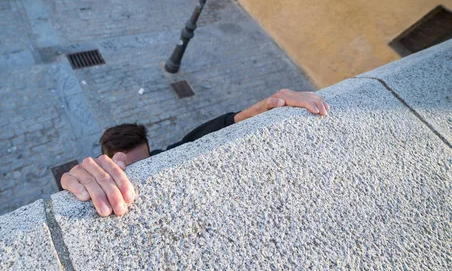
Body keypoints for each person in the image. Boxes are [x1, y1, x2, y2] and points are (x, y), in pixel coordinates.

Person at [61, 89, 329, 217]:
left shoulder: (166, 158)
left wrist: (264, 109)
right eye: (127, 169)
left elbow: (207, 135)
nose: (138, 175)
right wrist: (80, 183)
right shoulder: (96, 177)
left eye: (146, 161)